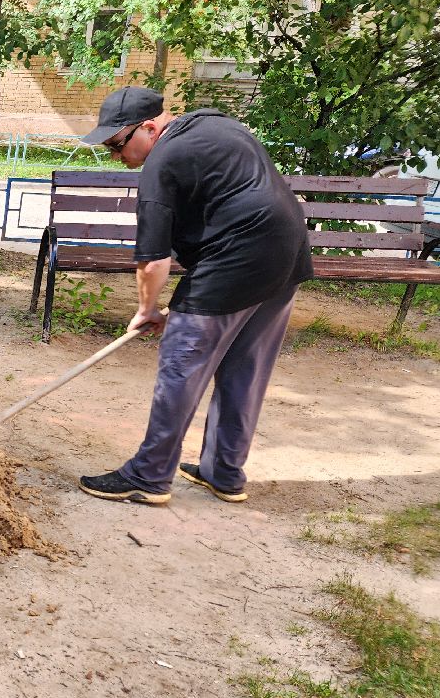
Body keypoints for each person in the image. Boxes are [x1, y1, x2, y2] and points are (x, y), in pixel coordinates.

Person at [75, 86, 313, 505]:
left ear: (150, 127)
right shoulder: (218, 125)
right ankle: (224, 472)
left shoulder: (161, 162)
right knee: (245, 368)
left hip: (236, 260)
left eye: (117, 144)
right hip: (286, 254)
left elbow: (152, 261)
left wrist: (146, 311)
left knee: (182, 364)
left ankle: (149, 477)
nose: (116, 157)